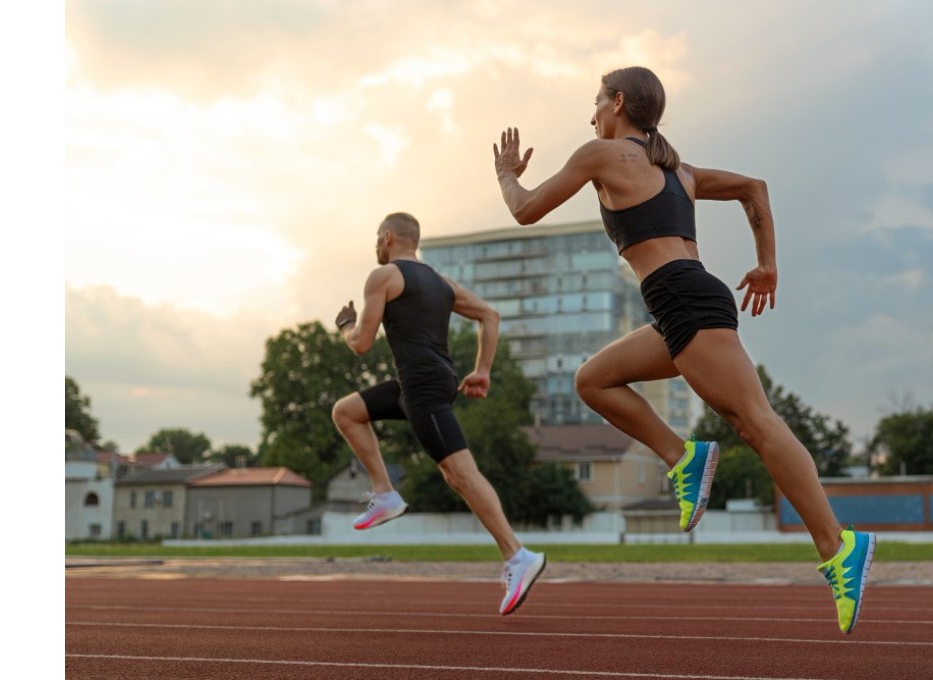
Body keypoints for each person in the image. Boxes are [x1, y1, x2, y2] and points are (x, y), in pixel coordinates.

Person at [490, 66, 875, 634]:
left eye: (596, 103)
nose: (590, 115)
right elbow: (754, 188)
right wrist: (767, 261)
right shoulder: (680, 171)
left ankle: (838, 547)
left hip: (684, 299)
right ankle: (682, 457)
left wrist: (504, 175)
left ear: (618, 103)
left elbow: (524, 209)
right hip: (680, 303)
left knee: (756, 423)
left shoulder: (601, 153)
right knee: (593, 380)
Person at [329, 212, 546, 616]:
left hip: (423, 387)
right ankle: (385, 493)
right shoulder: (441, 283)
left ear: (389, 237)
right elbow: (490, 315)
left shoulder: (384, 277)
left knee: (461, 474)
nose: (376, 245)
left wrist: (346, 324)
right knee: (346, 412)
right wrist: (482, 370)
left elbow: (360, 344)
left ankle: (518, 556)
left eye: (378, 237)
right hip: (419, 384)